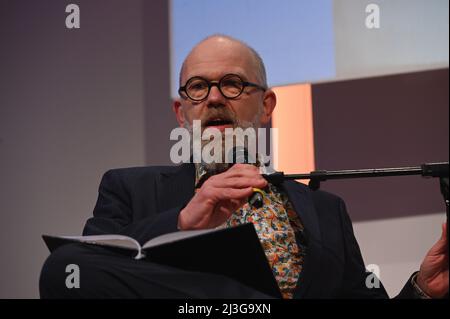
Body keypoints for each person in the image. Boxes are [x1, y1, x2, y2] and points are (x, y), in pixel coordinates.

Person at [39, 34, 448, 299]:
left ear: (266, 105)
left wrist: (423, 292)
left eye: (232, 83)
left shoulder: (325, 210)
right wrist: (183, 221)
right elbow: (81, 274)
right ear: (181, 113)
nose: (214, 98)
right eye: (199, 87)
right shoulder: (129, 187)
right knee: (63, 267)